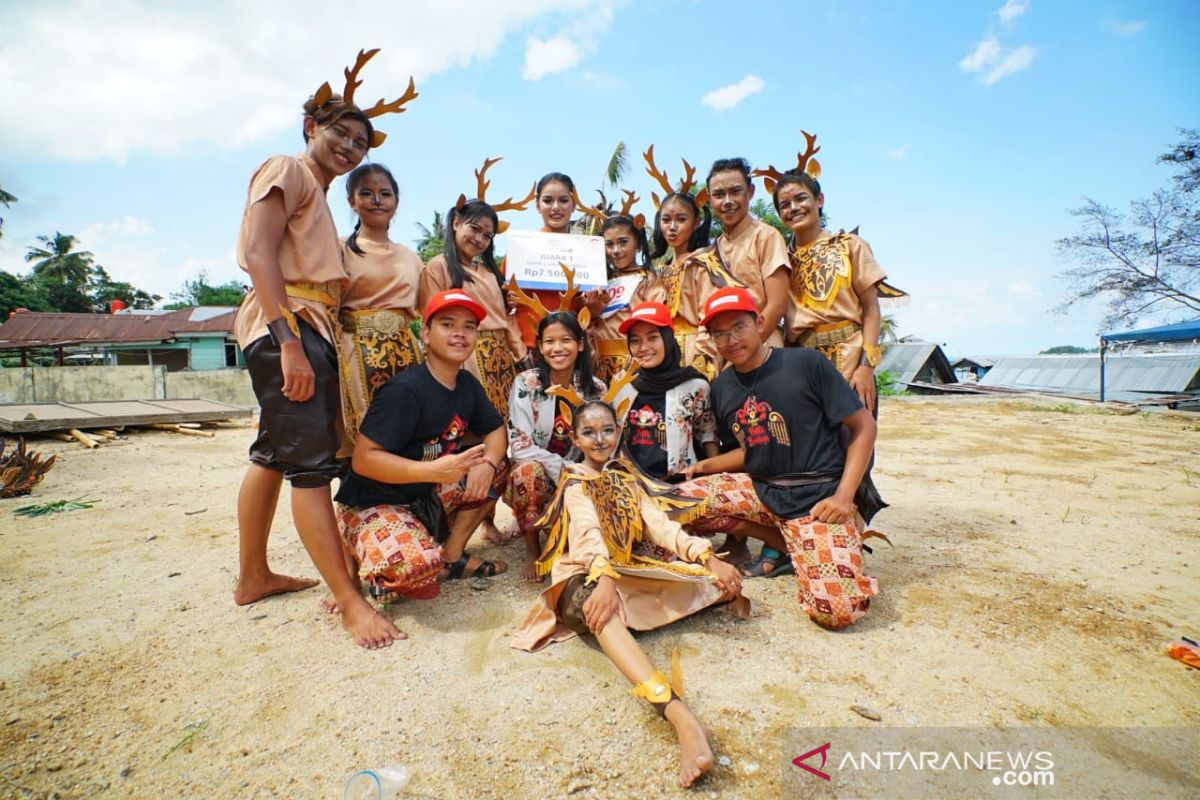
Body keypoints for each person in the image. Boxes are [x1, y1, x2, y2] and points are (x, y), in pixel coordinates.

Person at [232, 51, 411, 649]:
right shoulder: (288, 168)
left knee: (269, 454)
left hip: (310, 326)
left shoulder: (319, 194)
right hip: (292, 325)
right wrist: (288, 343)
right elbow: (258, 254)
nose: (351, 147)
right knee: (311, 468)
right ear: (311, 126)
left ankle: (254, 574)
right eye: (341, 132)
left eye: (361, 141)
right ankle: (350, 600)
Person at [512, 400, 746, 789]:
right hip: (585, 574)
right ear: (575, 438)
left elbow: (659, 527)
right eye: (589, 432)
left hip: (623, 573)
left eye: (607, 430)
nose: (599, 439)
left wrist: (706, 557)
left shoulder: (627, 478)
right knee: (599, 609)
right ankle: (677, 714)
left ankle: (635, 605)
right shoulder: (574, 481)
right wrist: (602, 581)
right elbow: (586, 536)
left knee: (716, 579)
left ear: (618, 432)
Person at [683, 288, 883, 630]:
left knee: (836, 611)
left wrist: (844, 496)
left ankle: (818, 542)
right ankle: (785, 540)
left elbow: (863, 427)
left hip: (818, 498)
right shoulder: (723, 387)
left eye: (739, 327)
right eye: (720, 333)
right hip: (763, 491)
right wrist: (702, 468)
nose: (731, 340)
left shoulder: (806, 364)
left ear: (759, 324)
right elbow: (751, 450)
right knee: (673, 502)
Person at [335, 289, 509, 629]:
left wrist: (487, 465)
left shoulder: (466, 384)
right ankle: (371, 553)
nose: (460, 333)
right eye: (447, 324)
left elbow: (496, 430)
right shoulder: (405, 391)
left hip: (426, 495)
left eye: (469, 326)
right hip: (376, 502)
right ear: (425, 335)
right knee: (416, 571)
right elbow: (363, 460)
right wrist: (431, 470)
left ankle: (454, 555)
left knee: (498, 465)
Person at [774, 171, 904, 413]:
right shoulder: (781, 259)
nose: (793, 208)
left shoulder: (850, 246)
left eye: (801, 199)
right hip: (803, 366)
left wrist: (866, 367)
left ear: (819, 200)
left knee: (855, 444)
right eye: (785, 205)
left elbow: (871, 310)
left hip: (852, 359)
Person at [504, 311, 605, 582]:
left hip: (579, 481)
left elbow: (601, 443)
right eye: (549, 341)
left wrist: (579, 476)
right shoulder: (526, 384)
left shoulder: (596, 389)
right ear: (539, 346)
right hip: (542, 478)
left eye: (566, 340)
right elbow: (520, 445)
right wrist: (564, 470)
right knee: (528, 473)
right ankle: (532, 549)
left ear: (580, 344)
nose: (557, 348)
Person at [338, 163, 424, 445]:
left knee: (408, 434)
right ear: (352, 201)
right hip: (353, 353)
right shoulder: (338, 249)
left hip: (406, 355)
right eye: (367, 193)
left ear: (396, 203)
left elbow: (429, 309)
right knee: (361, 439)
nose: (377, 200)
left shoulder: (410, 257)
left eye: (385, 194)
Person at [419, 199, 525, 417]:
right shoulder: (438, 266)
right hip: (464, 359)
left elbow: (506, 320)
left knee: (505, 423)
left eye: (487, 236)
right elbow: (431, 321)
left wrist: (522, 357)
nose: (479, 239)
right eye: (474, 229)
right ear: (456, 223)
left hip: (501, 361)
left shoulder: (491, 273)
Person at [611, 302, 718, 481]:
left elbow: (708, 432)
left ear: (667, 340)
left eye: (652, 338)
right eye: (635, 340)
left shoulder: (694, 386)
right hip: (629, 485)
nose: (643, 347)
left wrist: (714, 475)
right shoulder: (622, 384)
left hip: (680, 485)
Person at [705, 158, 790, 346]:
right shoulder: (711, 252)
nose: (727, 201)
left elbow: (778, 304)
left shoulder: (767, 236)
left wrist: (745, 346)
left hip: (765, 346)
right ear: (709, 198)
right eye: (719, 194)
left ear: (750, 192)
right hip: (725, 350)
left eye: (735, 192)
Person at [586, 214, 656, 383]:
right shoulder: (597, 282)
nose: (616, 251)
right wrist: (593, 313)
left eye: (623, 242)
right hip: (598, 365)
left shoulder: (650, 279)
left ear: (638, 243)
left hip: (636, 364)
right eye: (609, 244)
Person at [515, 172, 582, 348]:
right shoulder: (520, 251)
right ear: (537, 206)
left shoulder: (587, 253)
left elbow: (590, 311)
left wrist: (596, 306)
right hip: (529, 346)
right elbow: (502, 304)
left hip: (572, 348)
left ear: (574, 204)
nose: (556, 207)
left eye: (563, 200)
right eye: (547, 200)